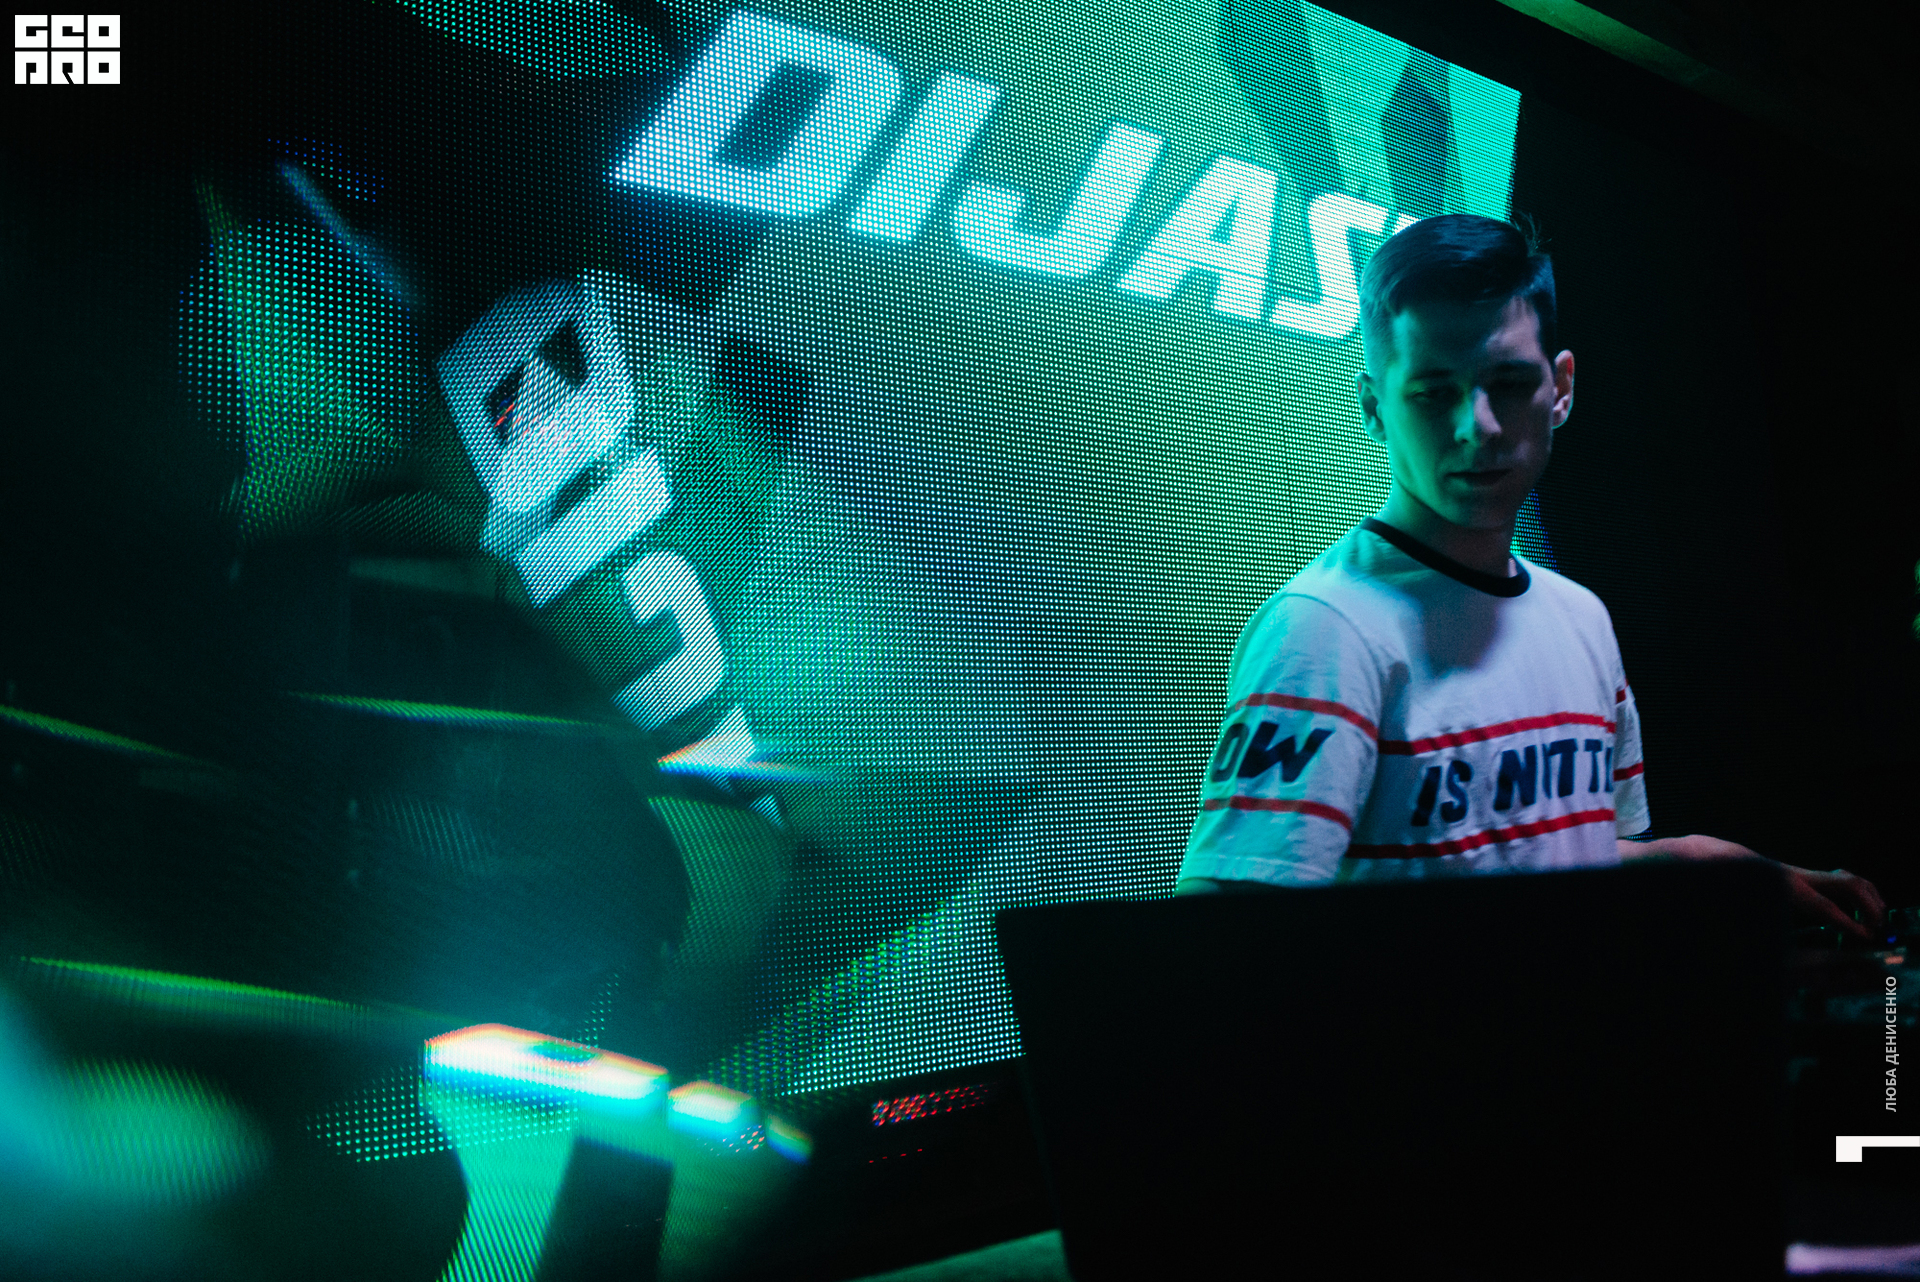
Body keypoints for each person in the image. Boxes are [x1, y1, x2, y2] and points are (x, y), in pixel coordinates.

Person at [1174, 214, 1886, 941]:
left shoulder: (1581, 617)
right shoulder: (1325, 630)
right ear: (1374, 409)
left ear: (1562, 387)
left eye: (1509, 383)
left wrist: (1706, 865)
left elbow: (1564, 863)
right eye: (1433, 392)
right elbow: (1219, 943)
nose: (1478, 425)